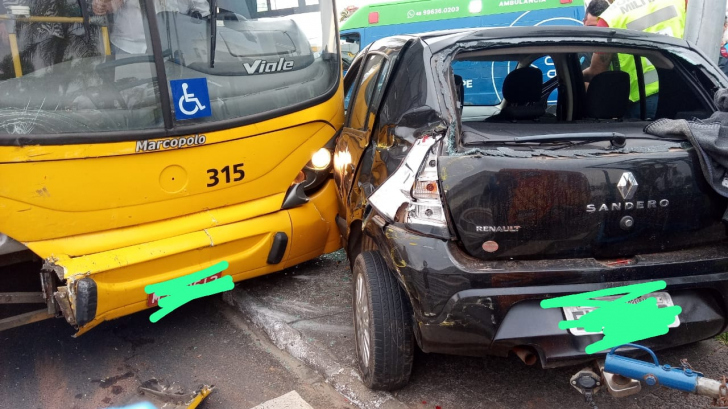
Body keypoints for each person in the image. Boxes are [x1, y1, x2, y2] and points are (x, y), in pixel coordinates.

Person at [583, 0, 687, 119]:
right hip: (686, 88)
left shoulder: (610, 18)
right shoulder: (679, 2)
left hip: (643, 102)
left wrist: (575, 77)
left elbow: (597, 72)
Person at [92, 0, 210, 54]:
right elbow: (105, 5)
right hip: (128, 50)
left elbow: (202, 17)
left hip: (174, 55)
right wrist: (102, 5)